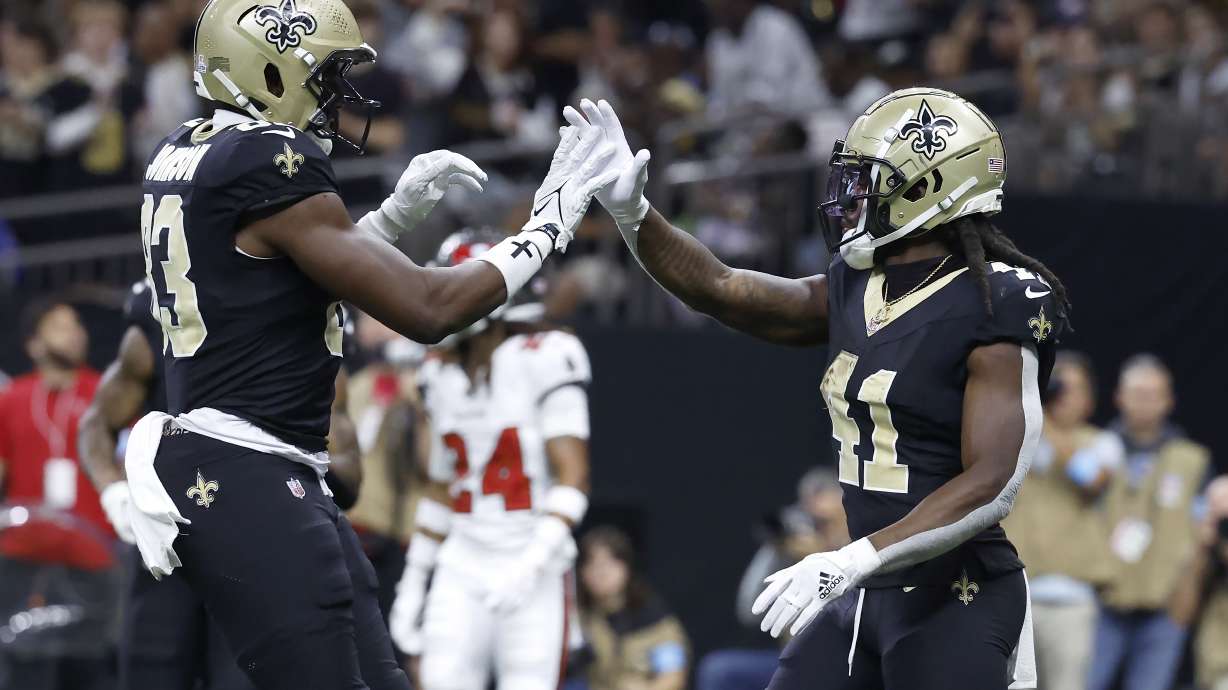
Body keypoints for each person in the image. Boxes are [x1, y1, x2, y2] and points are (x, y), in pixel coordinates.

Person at [123, 1, 620, 688]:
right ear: (268, 72)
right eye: (324, 76)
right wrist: (551, 220)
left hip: (254, 462)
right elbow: (428, 308)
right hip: (246, 468)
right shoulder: (268, 161)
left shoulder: (188, 146)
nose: (338, 96)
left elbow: (277, 283)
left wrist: (388, 220)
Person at [573, 88, 1072, 689]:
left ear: (927, 188)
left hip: (956, 595)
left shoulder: (999, 300)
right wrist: (637, 216)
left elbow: (993, 482)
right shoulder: (858, 284)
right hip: (863, 589)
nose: (852, 195)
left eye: (871, 181)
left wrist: (850, 559)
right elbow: (723, 287)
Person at [77, 280, 362, 689]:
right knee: (150, 673)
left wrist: (292, 455)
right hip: (169, 538)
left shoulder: (301, 322)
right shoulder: (167, 319)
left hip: (263, 542)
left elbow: (350, 479)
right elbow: (96, 423)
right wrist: (114, 494)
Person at [388, 227, 593, 690]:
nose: (446, 297)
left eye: (461, 286)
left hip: (532, 560)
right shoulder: (440, 374)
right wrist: (414, 582)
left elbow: (574, 478)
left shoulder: (548, 355)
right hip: (464, 558)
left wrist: (531, 563)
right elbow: (444, 484)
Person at [0, 298, 111, 690]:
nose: (75, 333)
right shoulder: (11, 397)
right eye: (60, 326)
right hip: (23, 557)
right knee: (24, 668)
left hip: (94, 556)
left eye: (77, 324)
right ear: (34, 343)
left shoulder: (108, 394)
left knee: (90, 670)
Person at [1086, 354, 1211, 690]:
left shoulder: (1192, 460)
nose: (1144, 403)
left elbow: (1204, 531)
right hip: (1102, 599)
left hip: (1165, 604)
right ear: (1118, 397)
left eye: (1153, 394)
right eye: (1137, 393)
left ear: (1169, 400)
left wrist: (1190, 591)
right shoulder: (1095, 449)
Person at [1001, 351, 1116, 690]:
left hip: (1072, 600)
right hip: (1017, 592)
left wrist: (1044, 419)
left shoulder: (1103, 443)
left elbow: (1092, 481)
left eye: (1071, 389)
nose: (1061, 396)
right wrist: (1031, 407)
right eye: (1055, 387)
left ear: (1090, 399)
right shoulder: (1019, 434)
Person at [697, 468, 848, 690]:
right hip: (792, 658)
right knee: (718, 670)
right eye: (813, 519)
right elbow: (749, 611)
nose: (819, 527)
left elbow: (849, 618)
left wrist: (820, 560)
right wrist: (777, 549)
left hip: (844, 660)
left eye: (824, 521)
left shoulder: (861, 548)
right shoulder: (793, 554)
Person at [572, 526, 689, 690]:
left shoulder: (653, 616)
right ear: (582, 573)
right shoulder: (576, 618)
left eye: (610, 562)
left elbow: (673, 678)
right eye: (592, 564)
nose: (602, 572)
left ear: (627, 567)